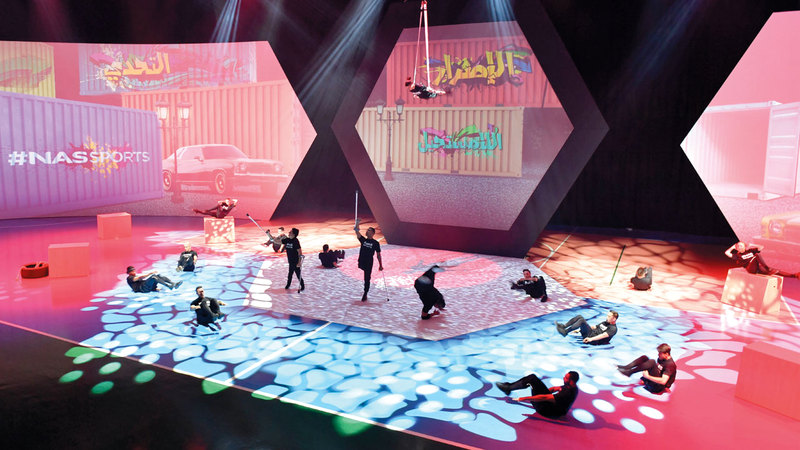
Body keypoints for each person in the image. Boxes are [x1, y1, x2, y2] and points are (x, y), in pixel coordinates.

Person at [495, 371, 580, 419]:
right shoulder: (571, 386)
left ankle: (508, 388)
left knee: (531, 380)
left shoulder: (567, 393)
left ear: (571, 381)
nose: (563, 378)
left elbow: (544, 397)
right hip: (553, 407)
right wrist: (541, 390)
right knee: (533, 378)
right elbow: (554, 388)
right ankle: (508, 387)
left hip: (548, 412)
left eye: (566, 378)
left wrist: (523, 398)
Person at [724, 241, 798, 277]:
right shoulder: (738, 255)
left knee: (775, 271)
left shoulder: (750, 251)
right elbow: (726, 253)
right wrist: (733, 247)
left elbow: (761, 247)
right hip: (751, 269)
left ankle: (794, 275)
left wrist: (752, 245)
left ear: (745, 247)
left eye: (741, 246)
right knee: (756, 255)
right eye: (738, 246)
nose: (740, 247)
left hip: (758, 267)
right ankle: (767, 268)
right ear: (737, 248)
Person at [265, 227, 304, 292]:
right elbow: (277, 241)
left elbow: (300, 252)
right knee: (290, 274)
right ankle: (288, 285)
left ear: (293, 234)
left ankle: (302, 285)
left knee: (298, 274)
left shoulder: (296, 241)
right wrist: (268, 234)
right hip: (290, 261)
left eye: (290, 232)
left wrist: (299, 262)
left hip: (296, 261)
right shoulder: (287, 239)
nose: (289, 232)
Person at [355, 219, 383, 301]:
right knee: (365, 275)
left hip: (369, 262)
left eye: (369, 230)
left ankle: (365, 292)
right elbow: (356, 231)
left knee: (367, 278)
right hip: (362, 260)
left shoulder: (375, 243)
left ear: (373, 233)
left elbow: (378, 255)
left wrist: (380, 265)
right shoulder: (363, 240)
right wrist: (357, 223)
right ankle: (365, 291)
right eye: (367, 230)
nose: (367, 231)